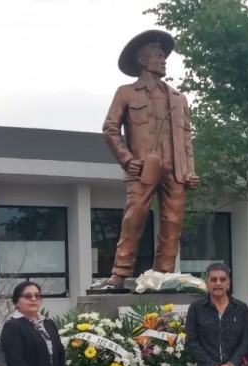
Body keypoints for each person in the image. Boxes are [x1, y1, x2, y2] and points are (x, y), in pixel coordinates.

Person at [96, 30, 199, 289]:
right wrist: (127, 159)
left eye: (163, 56)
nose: (163, 60)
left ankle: (162, 275)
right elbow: (110, 129)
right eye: (157, 55)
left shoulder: (178, 98)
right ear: (143, 60)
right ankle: (119, 274)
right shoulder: (126, 93)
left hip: (174, 170)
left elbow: (186, 137)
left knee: (173, 223)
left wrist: (189, 170)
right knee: (134, 218)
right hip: (142, 168)